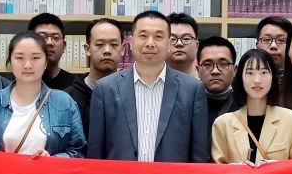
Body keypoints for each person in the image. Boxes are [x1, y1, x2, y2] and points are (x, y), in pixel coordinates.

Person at [88, 10, 208, 163]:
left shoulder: (192, 90)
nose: (150, 43)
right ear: (131, 42)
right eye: (143, 36)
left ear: (169, 44)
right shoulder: (105, 89)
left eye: (158, 36)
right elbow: (95, 157)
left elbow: (198, 158)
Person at [0, 31, 86, 157]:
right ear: (10, 61)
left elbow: (79, 152)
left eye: (35, 58)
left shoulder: (64, 102)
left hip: (47, 171)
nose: (27, 65)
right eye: (19, 58)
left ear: (46, 62)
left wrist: (53, 159)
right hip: (2, 171)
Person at [211, 48, 292, 164]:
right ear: (240, 78)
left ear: (273, 78)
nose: (257, 80)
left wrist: (275, 166)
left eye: (264, 73)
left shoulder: (291, 120)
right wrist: (238, 168)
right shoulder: (223, 124)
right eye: (250, 73)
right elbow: (217, 170)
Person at [65, 18, 124, 138]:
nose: (107, 51)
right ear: (87, 49)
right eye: (100, 44)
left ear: (122, 50)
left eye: (114, 45)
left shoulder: (132, 94)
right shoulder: (68, 98)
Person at [197, 36, 238, 145]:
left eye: (223, 64)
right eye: (207, 65)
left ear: (235, 70)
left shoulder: (245, 105)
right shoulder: (188, 105)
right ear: (198, 70)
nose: (215, 71)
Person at [28, 12, 78, 90]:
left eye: (56, 38)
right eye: (42, 37)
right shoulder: (17, 83)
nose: (49, 43)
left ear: (64, 46)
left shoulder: (76, 87)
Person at [167, 12, 200, 76]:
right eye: (172, 39)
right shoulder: (151, 80)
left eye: (186, 39)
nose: (179, 43)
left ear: (197, 46)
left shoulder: (204, 81)